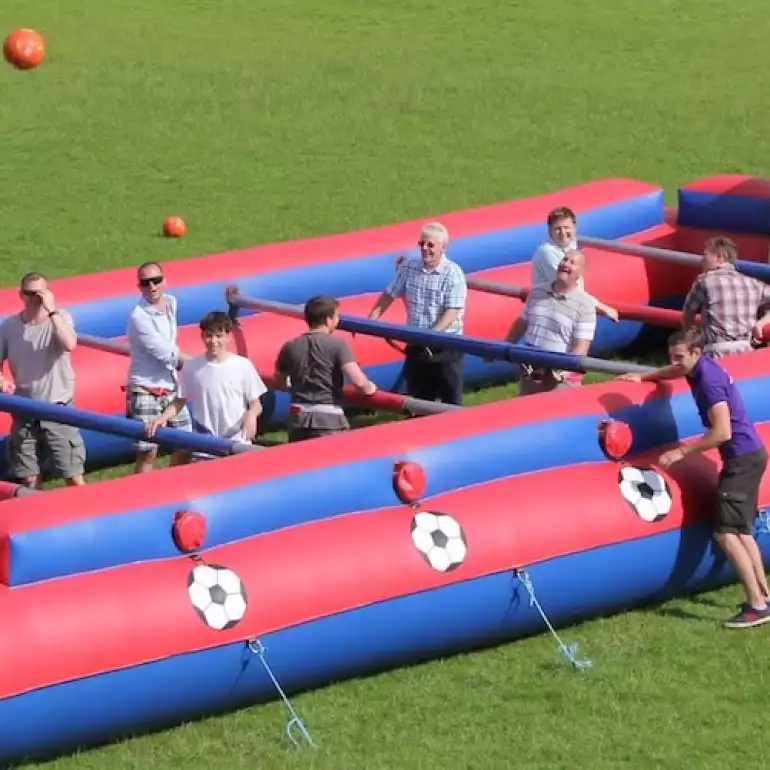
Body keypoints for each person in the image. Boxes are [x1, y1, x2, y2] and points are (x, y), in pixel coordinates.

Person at [619, 328, 770, 629]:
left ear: (696, 353)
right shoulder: (699, 365)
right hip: (751, 454)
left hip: (741, 459)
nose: (674, 362)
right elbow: (676, 369)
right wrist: (646, 377)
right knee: (741, 530)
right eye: (670, 356)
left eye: (679, 357)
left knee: (727, 534)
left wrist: (682, 453)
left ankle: (756, 605)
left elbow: (722, 432)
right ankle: (764, 597)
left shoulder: (710, 382)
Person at [0, 272, 86, 488]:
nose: (35, 298)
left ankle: (89, 516)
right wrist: (1, 380)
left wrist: (53, 310)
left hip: (58, 409)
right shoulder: (10, 327)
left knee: (72, 474)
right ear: (21, 295)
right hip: (25, 411)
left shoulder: (60, 318)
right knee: (28, 478)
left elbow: (70, 344)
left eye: (40, 293)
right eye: (30, 294)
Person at [368, 222, 467, 405]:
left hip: (445, 345)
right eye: (422, 244)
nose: (425, 249)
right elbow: (390, 293)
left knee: (450, 399)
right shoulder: (409, 267)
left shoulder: (453, 273)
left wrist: (431, 335)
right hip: (416, 343)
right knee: (419, 399)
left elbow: (452, 311)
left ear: (443, 248)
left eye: (430, 245)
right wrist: (372, 318)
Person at [146, 311, 267, 458]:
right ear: (203, 337)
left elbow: (256, 403)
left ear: (228, 337)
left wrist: (252, 415)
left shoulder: (242, 365)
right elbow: (179, 401)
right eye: (209, 336)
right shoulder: (192, 366)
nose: (214, 341)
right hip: (206, 442)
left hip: (237, 440)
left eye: (218, 336)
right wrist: (162, 418)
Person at [274, 295, 377, 442]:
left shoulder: (290, 346)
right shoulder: (337, 345)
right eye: (336, 316)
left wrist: (291, 386)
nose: (338, 320)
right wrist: (370, 388)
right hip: (328, 418)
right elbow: (358, 381)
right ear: (327, 320)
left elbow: (280, 380)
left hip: (298, 417)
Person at [126, 261, 192, 473]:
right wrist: (202, 366)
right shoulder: (139, 316)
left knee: (187, 444)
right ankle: (141, 497)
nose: (152, 286)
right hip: (145, 389)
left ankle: (171, 485)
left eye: (156, 281)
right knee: (148, 451)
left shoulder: (171, 303)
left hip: (171, 387)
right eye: (146, 283)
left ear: (165, 281)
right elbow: (165, 352)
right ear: (139, 287)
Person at [505, 250, 596, 395]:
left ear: (581, 272)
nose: (566, 264)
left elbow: (581, 347)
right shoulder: (537, 293)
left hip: (559, 379)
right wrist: (503, 348)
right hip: (531, 372)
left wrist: (563, 373)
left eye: (572, 263)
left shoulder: (585, 305)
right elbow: (521, 324)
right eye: (564, 260)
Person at [682, 236, 770, 358]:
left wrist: (690, 339)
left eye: (705, 255)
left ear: (720, 257)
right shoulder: (754, 283)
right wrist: (761, 323)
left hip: (715, 351)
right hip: (746, 351)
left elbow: (687, 314)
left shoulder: (704, 281)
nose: (702, 260)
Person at [531, 206, 619, 322]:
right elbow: (567, 286)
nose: (563, 233)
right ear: (550, 231)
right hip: (551, 313)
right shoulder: (547, 251)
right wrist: (602, 307)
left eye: (566, 227)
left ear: (575, 228)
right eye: (558, 229)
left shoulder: (570, 243)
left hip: (567, 307)